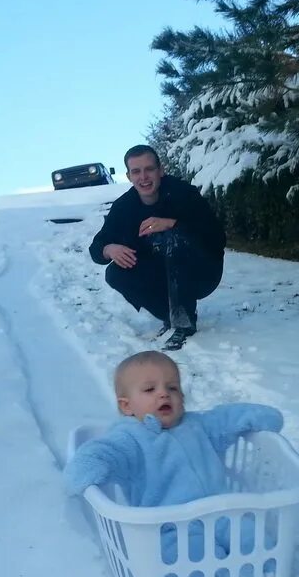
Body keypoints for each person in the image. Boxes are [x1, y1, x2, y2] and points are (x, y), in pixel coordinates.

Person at [64, 351, 283, 507]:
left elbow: (228, 418)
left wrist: (261, 416)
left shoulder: (198, 425)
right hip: (169, 525)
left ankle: (259, 572)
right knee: (187, 557)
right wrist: (85, 467)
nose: (163, 394)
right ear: (126, 405)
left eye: (172, 388)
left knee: (250, 535)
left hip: (222, 511)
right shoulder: (130, 438)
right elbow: (105, 451)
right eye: (150, 389)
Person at [88, 145, 226, 351]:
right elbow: (96, 248)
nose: (143, 177)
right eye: (136, 171)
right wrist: (109, 249)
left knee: (170, 236)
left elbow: (216, 235)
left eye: (149, 169)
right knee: (115, 273)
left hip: (202, 271)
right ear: (128, 176)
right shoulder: (123, 207)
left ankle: (183, 323)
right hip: (160, 275)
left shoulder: (183, 193)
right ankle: (171, 316)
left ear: (161, 170)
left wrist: (173, 224)